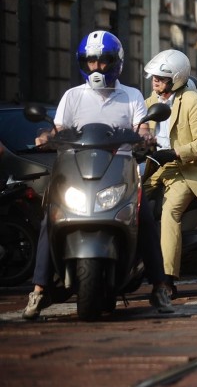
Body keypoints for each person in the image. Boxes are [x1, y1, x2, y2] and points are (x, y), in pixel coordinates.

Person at [24, 31, 174, 318]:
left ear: (116, 62)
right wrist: (45, 137)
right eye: (90, 61)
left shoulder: (131, 96)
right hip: (76, 171)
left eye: (103, 61)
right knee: (49, 217)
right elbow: (57, 130)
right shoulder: (72, 96)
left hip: (121, 171)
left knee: (143, 217)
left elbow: (142, 129)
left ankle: (159, 288)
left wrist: (146, 138)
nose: (96, 68)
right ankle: (39, 290)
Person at [143, 49, 197, 295]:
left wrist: (175, 153)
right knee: (127, 201)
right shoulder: (149, 102)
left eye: (160, 77)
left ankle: (167, 279)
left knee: (170, 211)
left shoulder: (192, 100)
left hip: (187, 168)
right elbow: (136, 132)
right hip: (154, 166)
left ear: (176, 79)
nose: (155, 81)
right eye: (154, 77)